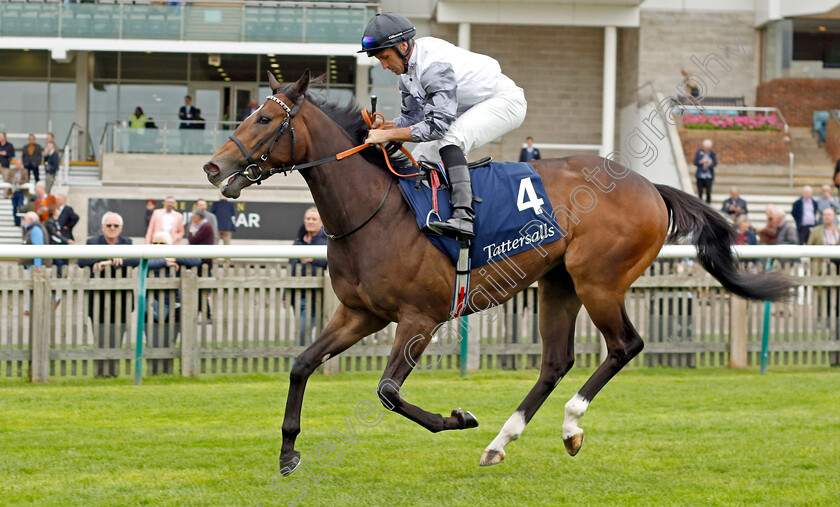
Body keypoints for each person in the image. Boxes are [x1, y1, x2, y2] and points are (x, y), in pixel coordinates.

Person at [360, 12, 527, 239]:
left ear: (402, 46)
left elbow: (436, 127)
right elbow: (412, 119)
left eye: (385, 57)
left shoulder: (433, 67)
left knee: (451, 140)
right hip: (466, 107)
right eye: (379, 59)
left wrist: (389, 136)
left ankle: (464, 217)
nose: (383, 65)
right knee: (421, 156)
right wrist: (388, 128)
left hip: (504, 100)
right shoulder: (407, 75)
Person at [78, 212, 158, 377]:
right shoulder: (92, 242)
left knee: (117, 336)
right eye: (109, 226)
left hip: (122, 300)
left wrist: (108, 262)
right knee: (99, 337)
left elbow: (136, 260)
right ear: (102, 227)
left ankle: (113, 372)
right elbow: (81, 261)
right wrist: (109, 257)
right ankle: (100, 373)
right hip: (97, 300)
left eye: (115, 226)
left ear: (120, 228)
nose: (112, 229)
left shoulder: (127, 243)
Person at [147, 231, 201, 375]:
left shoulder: (176, 254)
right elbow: (142, 263)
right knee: (154, 341)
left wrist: (174, 256)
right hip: (153, 306)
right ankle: (154, 372)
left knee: (170, 340)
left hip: (174, 307)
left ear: (171, 245)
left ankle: (167, 372)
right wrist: (165, 261)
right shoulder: (148, 256)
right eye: (155, 243)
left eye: (162, 244)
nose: (158, 246)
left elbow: (196, 260)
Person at [288, 207, 328, 344]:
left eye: (314, 219)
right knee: (303, 331)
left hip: (316, 295)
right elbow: (291, 266)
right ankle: (308, 363)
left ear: (321, 222)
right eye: (308, 219)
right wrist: (285, 295)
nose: (310, 222)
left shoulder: (326, 240)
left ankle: (299, 363)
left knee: (302, 331)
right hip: (296, 294)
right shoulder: (299, 240)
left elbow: (332, 260)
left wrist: (313, 259)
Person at [188, 208, 215, 321]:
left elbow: (193, 240)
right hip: (203, 260)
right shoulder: (204, 226)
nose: (193, 220)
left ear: (198, 218)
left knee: (202, 289)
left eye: (194, 218)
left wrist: (190, 231)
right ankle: (205, 313)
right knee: (200, 289)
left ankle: (206, 314)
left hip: (204, 261)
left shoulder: (205, 227)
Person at [43, 204, 68, 277]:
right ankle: (58, 276)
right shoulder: (50, 221)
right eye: (57, 210)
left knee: (60, 262)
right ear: (53, 212)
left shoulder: (55, 221)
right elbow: (54, 233)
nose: (58, 211)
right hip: (54, 244)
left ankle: (57, 275)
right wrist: (65, 240)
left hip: (57, 244)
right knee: (58, 262)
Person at [693, 139, 716, 204]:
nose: (706, 149)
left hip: (708, 176)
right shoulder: (699, 153)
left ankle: (708, 203)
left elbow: (715, 164)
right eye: (705, 147)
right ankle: (700, 203)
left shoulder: (712, 154)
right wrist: (701, 162)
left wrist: (709, 164)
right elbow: (695, 162)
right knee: (700, 191)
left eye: (708, 148)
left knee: (708, 191)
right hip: (700, 176)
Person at [9, 160, 29, 227]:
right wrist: (13, 181)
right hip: (13, 191)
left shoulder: (24, 171)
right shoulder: (11, 171)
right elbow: (8, 179)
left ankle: (22, 221)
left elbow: (26, 180)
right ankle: (16, 222)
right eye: (17, 164)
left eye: (19, 164)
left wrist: (19, 181)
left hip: (21, 192)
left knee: (21, 206)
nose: (18, 165)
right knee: (14, 207)